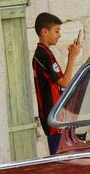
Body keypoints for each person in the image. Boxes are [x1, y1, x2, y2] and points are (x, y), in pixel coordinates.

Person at [32, 11, 81, 155]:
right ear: (44, 31)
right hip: (53, 117)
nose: (59, 35)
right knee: (60, 160)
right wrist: (72, 56)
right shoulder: (44, 54)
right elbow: (65, 82)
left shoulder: (42, 53)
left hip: (52, 116)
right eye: (57, 31)